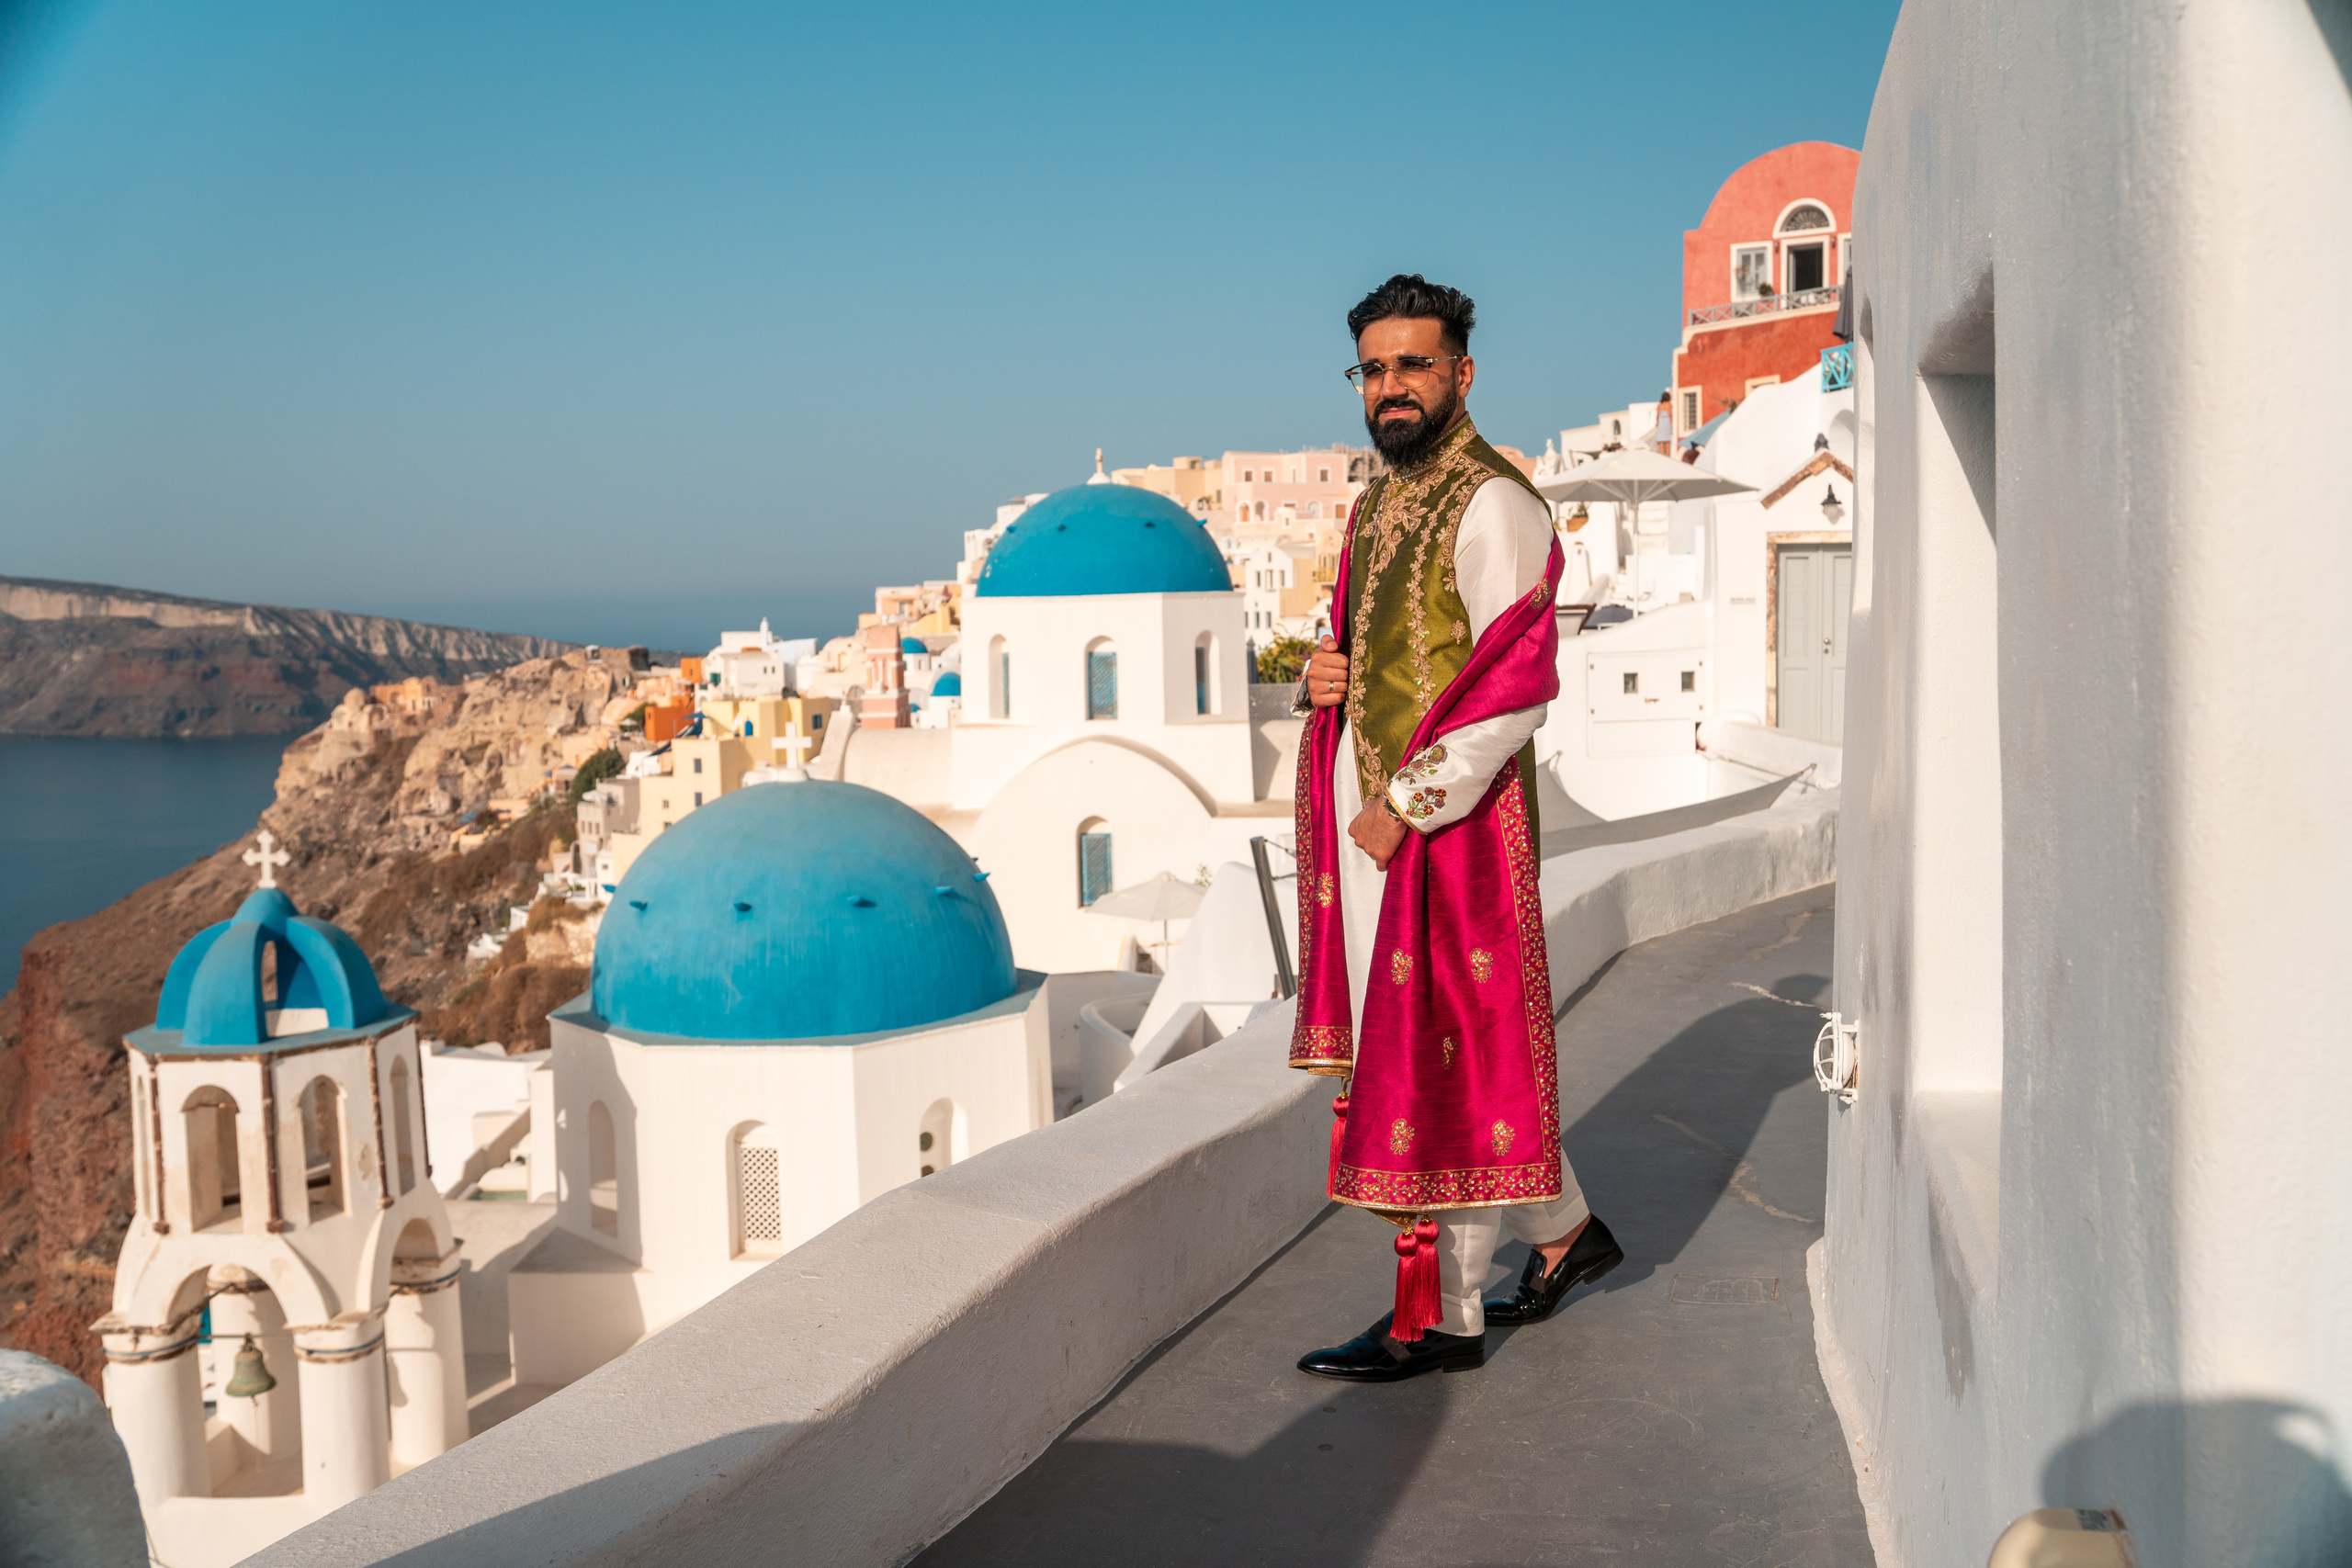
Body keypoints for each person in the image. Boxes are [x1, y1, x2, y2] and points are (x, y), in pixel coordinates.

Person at [1291, 274, 1622, 1383]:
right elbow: (1366, 649)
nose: (1390, 388)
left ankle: (1439, 1321)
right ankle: (1569, 1236)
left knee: (1437, 1054)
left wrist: (1404, 804)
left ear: (1461, 373)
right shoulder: (1377, 502)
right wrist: (1322, 676)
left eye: (1412, 365)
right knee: (1455, 1056)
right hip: (1372, 824)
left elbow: (1516, 688)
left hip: (1447, 827)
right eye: (1373, 369)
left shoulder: (1493, 504)